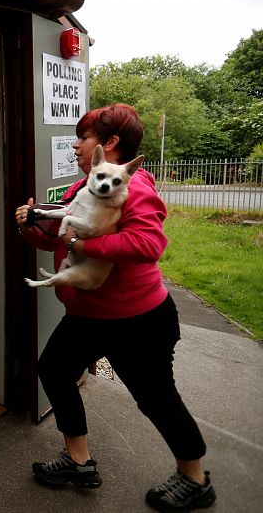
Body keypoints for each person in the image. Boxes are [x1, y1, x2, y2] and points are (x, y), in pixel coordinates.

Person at [15, 103, 216, 512]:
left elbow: (148, 244)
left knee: (155, 398)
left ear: (110, 143)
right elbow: (57, 237)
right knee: (54, 370)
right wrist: (29, 224)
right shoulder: (83, 186)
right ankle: (79, 462)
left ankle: (195, 479)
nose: (75, 145)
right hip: (88, 315)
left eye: (83, 137)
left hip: (137, 320)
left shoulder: (132, 188)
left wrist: (77, 243)